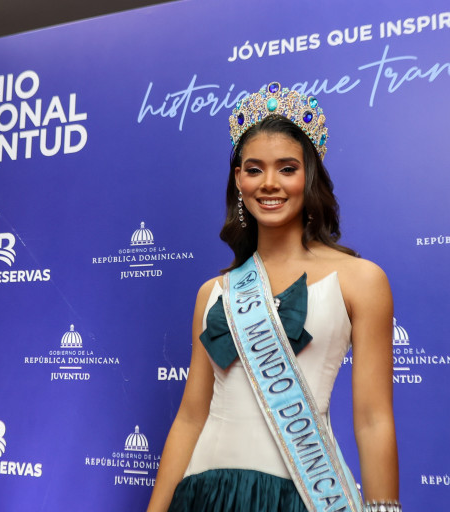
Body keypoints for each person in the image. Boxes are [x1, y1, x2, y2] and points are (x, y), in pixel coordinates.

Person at [147, 82, 400, 512]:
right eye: (254, 169)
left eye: (286, 168)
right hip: (205, 495)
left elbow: (373, 420)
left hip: (302, 494)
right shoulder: (214, 293)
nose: (269, 183)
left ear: (309, 176)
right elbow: (190, 417)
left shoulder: (360, 280)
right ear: (238, 179)